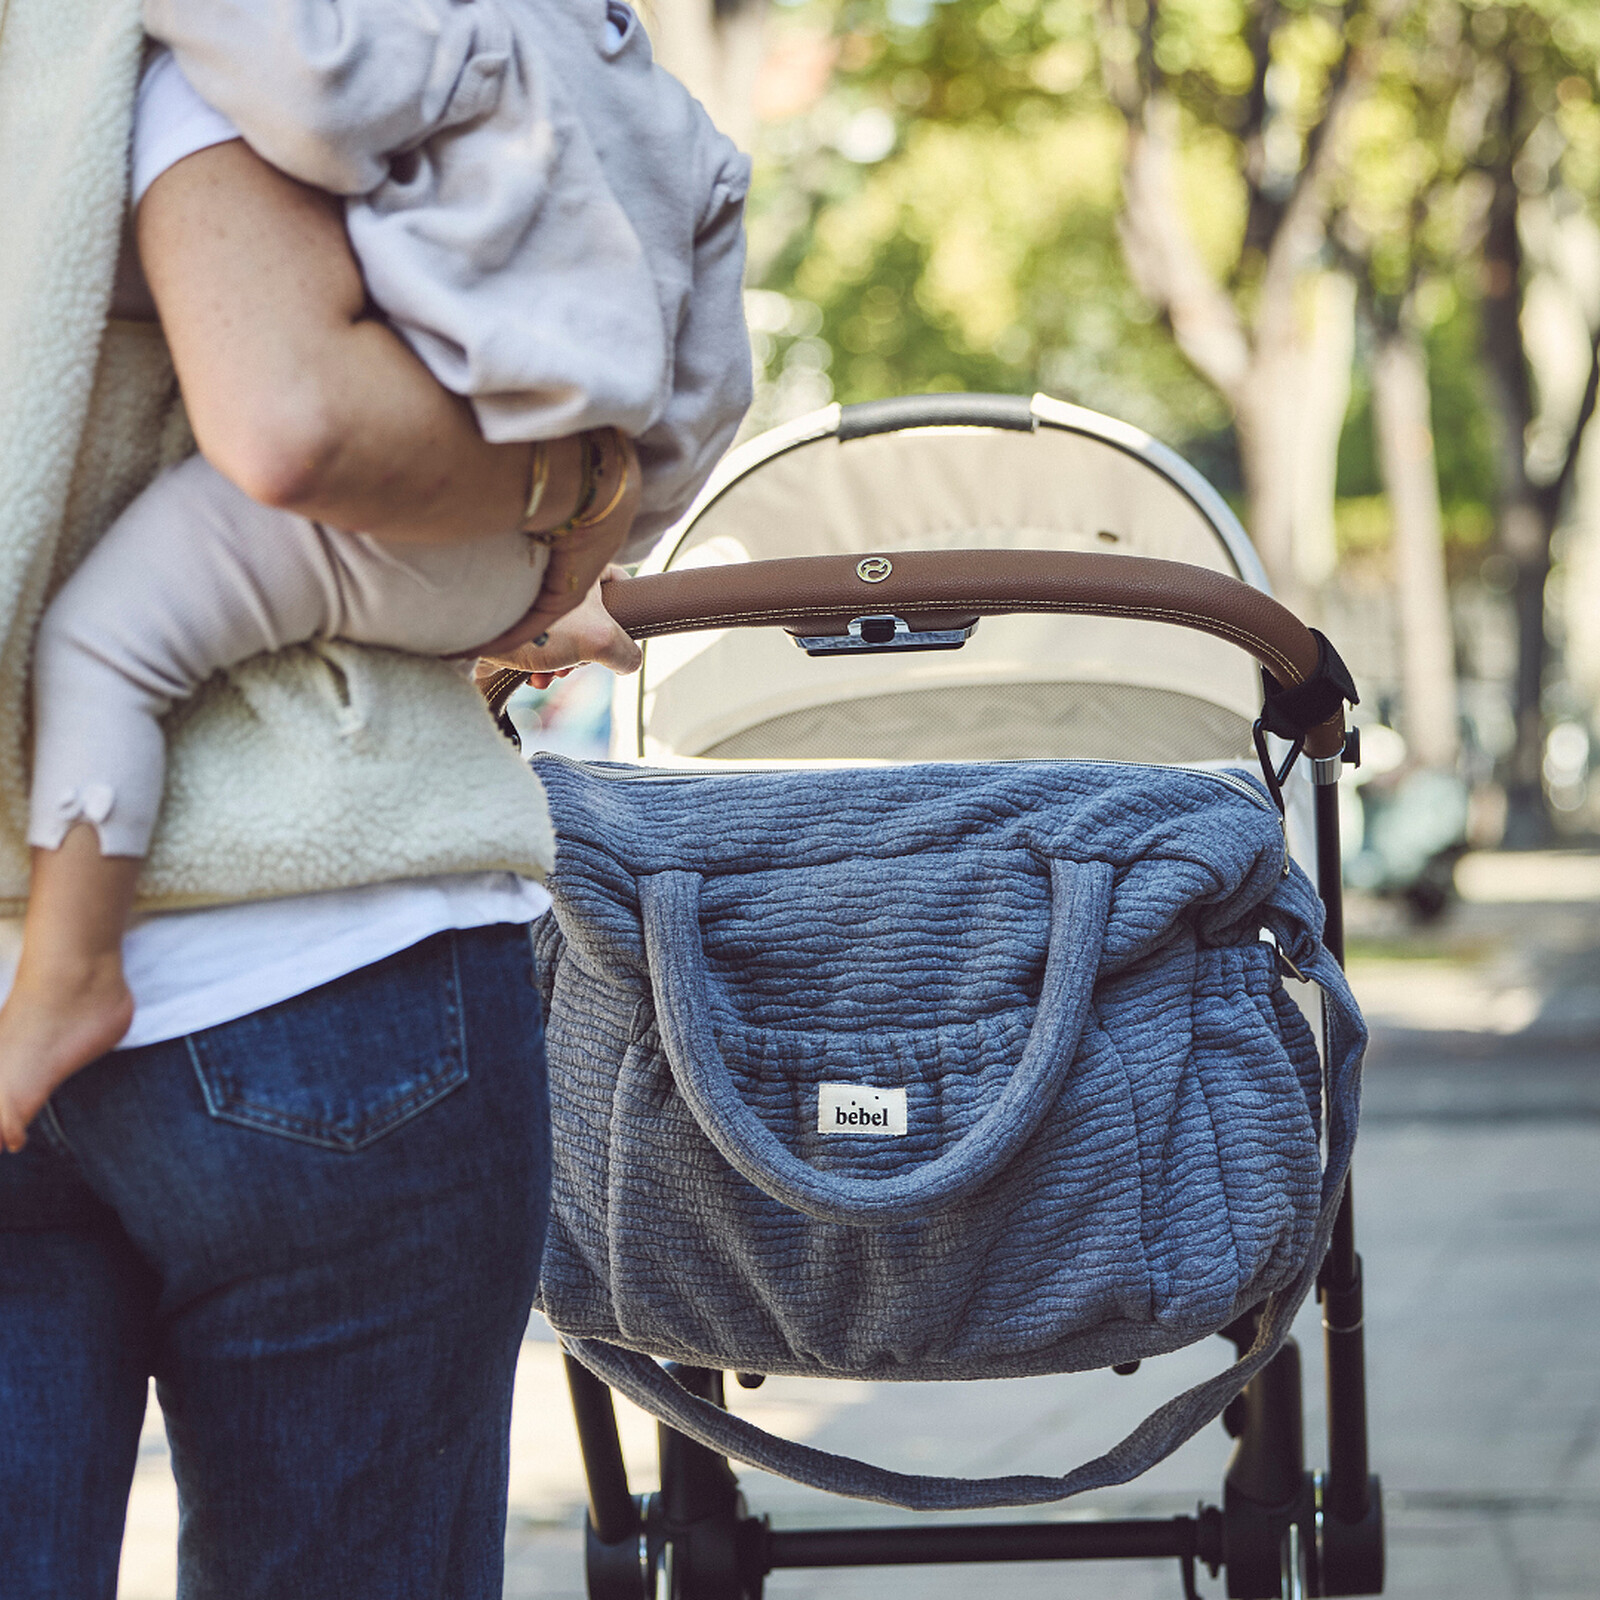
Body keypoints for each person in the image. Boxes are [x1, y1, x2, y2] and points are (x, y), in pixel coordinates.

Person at [0, 3, 746, 1595]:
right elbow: (301, 416)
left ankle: (65, 960)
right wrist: (589, 493)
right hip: (321, 976)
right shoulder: (572, 76)